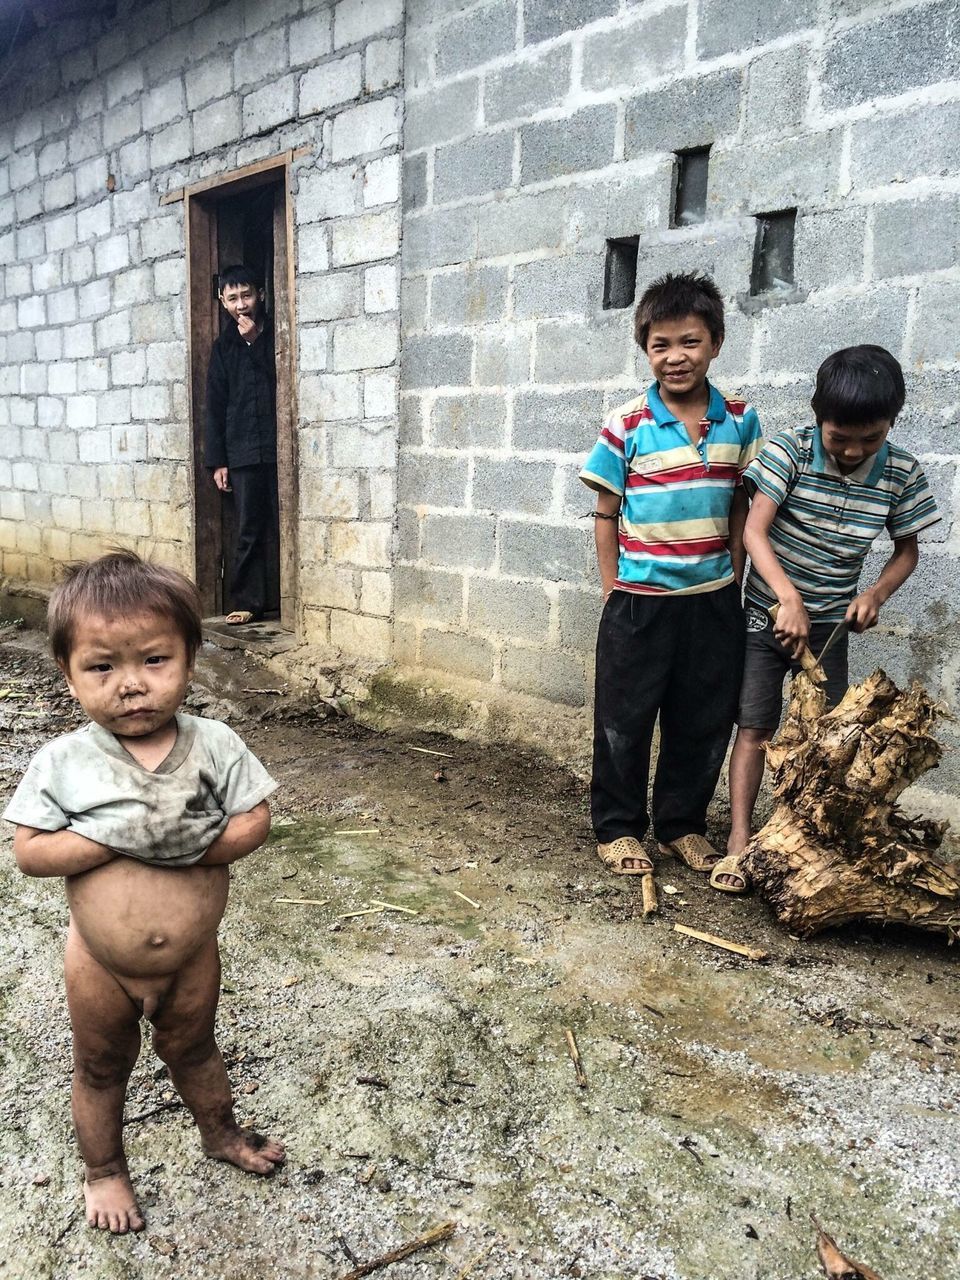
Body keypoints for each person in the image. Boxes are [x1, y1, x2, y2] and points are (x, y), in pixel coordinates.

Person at [3, 551, 285, 1234]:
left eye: (153, 661)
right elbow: (29, 852)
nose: (131, 685)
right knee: (100, 1068)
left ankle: (220, 1132)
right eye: (102, 667)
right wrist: (115, 838)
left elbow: (256, 818)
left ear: (189, 658)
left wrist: (203, 845)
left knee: (196, 1049)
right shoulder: (64, 763)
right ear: (69, 677)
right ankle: (104, 1171)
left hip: (191, 959)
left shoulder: (213, 744)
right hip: (100, 964)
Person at [722, 345, 940, 889]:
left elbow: (906, 551)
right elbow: (754, 530)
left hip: (831, 628)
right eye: (839, 437)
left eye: (870, 439)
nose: (852, 450)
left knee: (826, 735)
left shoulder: (902, 472)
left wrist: (876, 595)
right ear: (819, 415)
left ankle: (798, 839)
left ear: (892, 422)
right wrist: (787, 598)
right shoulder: (789, 451)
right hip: (765, 616)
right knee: (755, 726)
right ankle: (739, 840)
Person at [580, 271, 763, 887]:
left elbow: (742, 504)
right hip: (638, 603)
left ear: (715, 342)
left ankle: (682, 823)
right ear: (645, 348)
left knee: (703, 717)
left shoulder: (739, 419)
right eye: (661, 344)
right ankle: (618, 826)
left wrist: (733, 578)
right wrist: (615, 589)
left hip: (712, 603)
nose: (675, 357)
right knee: (623, 719)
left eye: (689, 342)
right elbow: (606, 514)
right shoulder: (626, 424)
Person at [205, 264, 279, 625]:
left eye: (246, 295)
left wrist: (256, 343)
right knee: (249, 526)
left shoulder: (275, 335)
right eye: (232, 298)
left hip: (281, 449)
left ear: (260, 294)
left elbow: (279, 374)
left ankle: (285, 598)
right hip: (244, 451)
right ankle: (249, 601)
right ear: (222, 301)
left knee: (282, 524)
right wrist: (218, 461)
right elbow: (215, 406)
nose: (241, 305)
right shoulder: (223, 347)